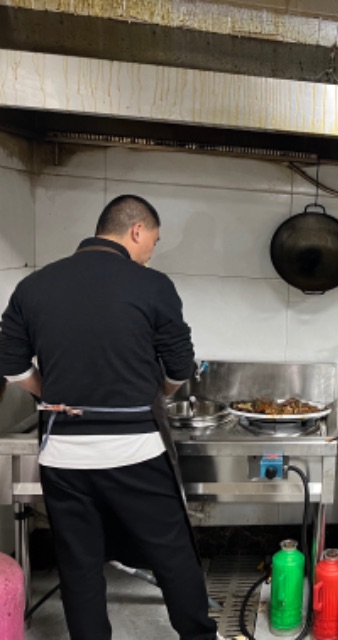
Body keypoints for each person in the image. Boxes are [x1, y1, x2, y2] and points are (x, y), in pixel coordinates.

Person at [0, 195, 221, 640]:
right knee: (172, 553)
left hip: (63, 454)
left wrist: (52, 394)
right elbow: (180, 367)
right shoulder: (152, 285)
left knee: (79, 564)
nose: (151, 251)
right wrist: (157, 393)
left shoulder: (33, 286)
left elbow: (11, 365)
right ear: (136, 230)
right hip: (135, 450)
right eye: (153, 240)